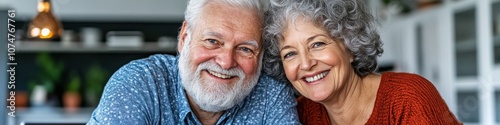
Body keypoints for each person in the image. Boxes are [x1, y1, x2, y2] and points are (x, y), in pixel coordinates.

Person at [87, 0, 300, 124]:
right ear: (184, 38)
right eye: (212, 41)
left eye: (245, 49)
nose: (226, 62)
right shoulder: (139, 83)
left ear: (261, 55)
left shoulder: (271, 96)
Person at [263, 0, 462, 124]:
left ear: (350, 46)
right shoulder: (298, 114)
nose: (305, 64)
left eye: (317, 44)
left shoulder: (408, 99)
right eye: (290, 54)